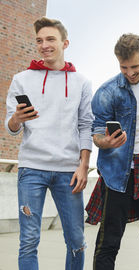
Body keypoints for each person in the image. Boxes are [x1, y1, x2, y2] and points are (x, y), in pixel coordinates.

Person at [4, 17, 93, 269]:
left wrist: (84, 165)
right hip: (32, 169)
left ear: (65, 43)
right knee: (29, 240)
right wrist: (16, 119)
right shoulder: (21, 79)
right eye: (39, 40)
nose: (44, 45)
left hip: (69, 172)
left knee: (76, 239)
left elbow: (85, 125)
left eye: (50, 39)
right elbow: (10, 128)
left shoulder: (81, 82)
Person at [87, 33, 139, 270]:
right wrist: (105, 142)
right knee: (109, 240)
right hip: (118, 173)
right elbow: (97, 132)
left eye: (135, 67)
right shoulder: (107, 91)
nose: (129, 72)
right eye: (123, 67)